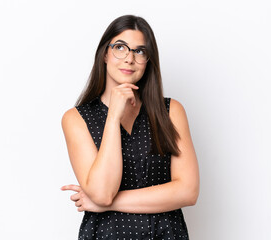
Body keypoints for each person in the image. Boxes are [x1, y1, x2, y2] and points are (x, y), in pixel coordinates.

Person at [60, 14, 199, 239]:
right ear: (105, 53)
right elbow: (103, 193)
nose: (129, 59)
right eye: (120, 47)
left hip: (165, 234)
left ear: (148, 61)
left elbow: (188, 191)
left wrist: (105, 205)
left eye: (140, 51)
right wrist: (114, 115)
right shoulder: (76, 118)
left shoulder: (171, 111)